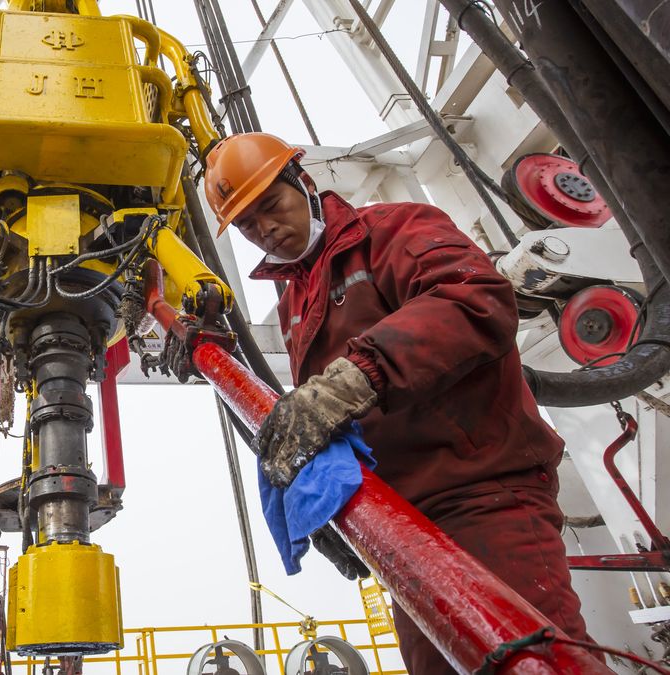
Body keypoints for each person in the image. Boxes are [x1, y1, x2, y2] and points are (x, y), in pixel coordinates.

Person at [202, 132, 591, 673]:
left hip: (482, 492)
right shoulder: (295, 298)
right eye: (246, 224)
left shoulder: (394, 230)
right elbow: (332, 425)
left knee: (531, 661)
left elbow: (473, 299)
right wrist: (331, 511)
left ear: (304, 183)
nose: (264, 228)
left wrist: (352, 380)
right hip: (402, 520)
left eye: (272, 205)